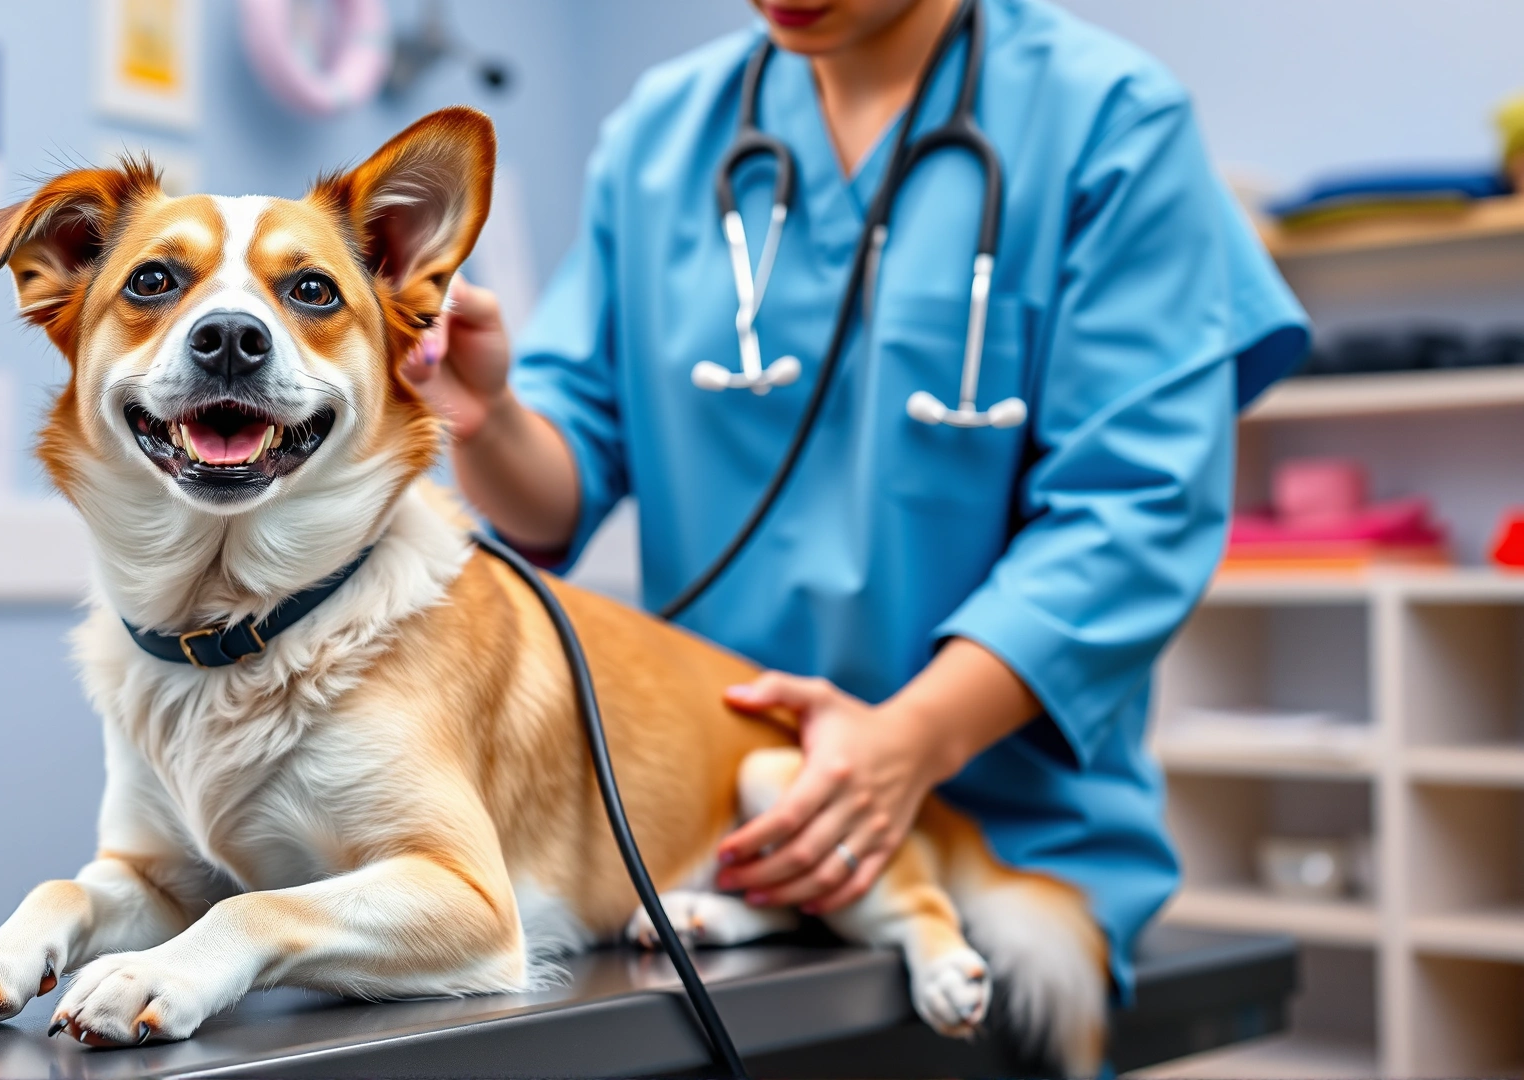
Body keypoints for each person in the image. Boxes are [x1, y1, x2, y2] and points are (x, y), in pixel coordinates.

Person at [406, 0, 1307, 999]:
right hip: (717, 847)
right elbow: (552, 497)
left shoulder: (1108, 122)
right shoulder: (663, 137)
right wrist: (484, 414)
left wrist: (905, 745)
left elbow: (1133, 513)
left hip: (999, 846)